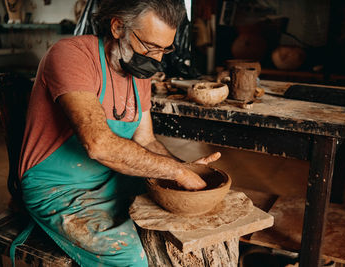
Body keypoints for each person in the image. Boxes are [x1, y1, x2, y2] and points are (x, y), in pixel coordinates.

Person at [12, 0, 221, 266]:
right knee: (129, 257)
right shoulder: (71, 55)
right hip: (58, 188)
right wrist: (175, 172)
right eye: (150, 47)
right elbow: (98, 144)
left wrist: (185, 168)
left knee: (179, 224)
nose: (157, 59)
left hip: (112, 177)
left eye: (164, 49)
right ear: (118, 27)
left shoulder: (139, 74)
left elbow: (146, 140)